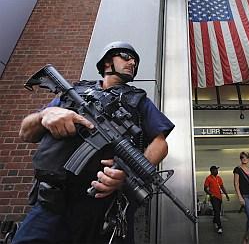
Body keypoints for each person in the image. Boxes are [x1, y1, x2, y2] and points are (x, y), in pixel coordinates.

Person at [13, 41, 175, 244]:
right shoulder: (74, 93)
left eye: (135, 60)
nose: (132, 62)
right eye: (126, 56)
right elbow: (25, 133)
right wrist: (45, 114)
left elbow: (160, 143)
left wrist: (129, 174)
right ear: (107, 63)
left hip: (102, 210)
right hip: (50, 205)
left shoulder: (138, 100)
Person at [204, 165, 230, 234]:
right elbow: (205, 188)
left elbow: (222, 187)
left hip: (219, 197)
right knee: (217, 211)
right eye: (215, 170)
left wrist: (226, 195)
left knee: (217, 211)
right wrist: (211, 194)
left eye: (217, 170)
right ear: (212, 171)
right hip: (213, 197)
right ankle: (219, 227)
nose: (217, 171)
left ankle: (215, 221)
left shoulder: (219, 178)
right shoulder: (208, 178)